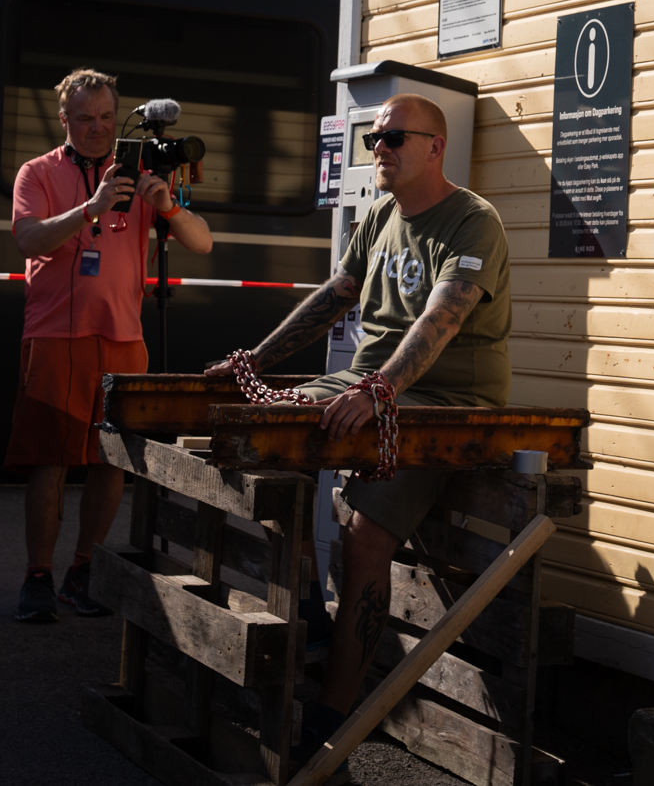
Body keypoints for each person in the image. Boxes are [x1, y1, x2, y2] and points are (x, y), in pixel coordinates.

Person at [210, 92, 510, 756]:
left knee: (366, 531)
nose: (380, 148)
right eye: (374, 138)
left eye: (396, 136)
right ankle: (314, 618)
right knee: (263, 432)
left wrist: (381, 390)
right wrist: (256, 359)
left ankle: (338, 707)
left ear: (436, 146)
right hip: (370, 384)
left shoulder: (472, 220)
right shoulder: (376, 216)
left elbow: (443, 318)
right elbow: (334, 294)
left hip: (442, 397)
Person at [8, 68, 212, 622]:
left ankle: (82, 569)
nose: (97, 129)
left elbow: (202, 242)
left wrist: (167, 206)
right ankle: (37, 576)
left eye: (105, 117)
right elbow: (28, 237)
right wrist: (91, 208)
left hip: (124, 338)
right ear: (64, 120)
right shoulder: (38, 171)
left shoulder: (140, 173)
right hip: (55, 333)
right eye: (84, 119)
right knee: (49, 461)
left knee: (110, 462)